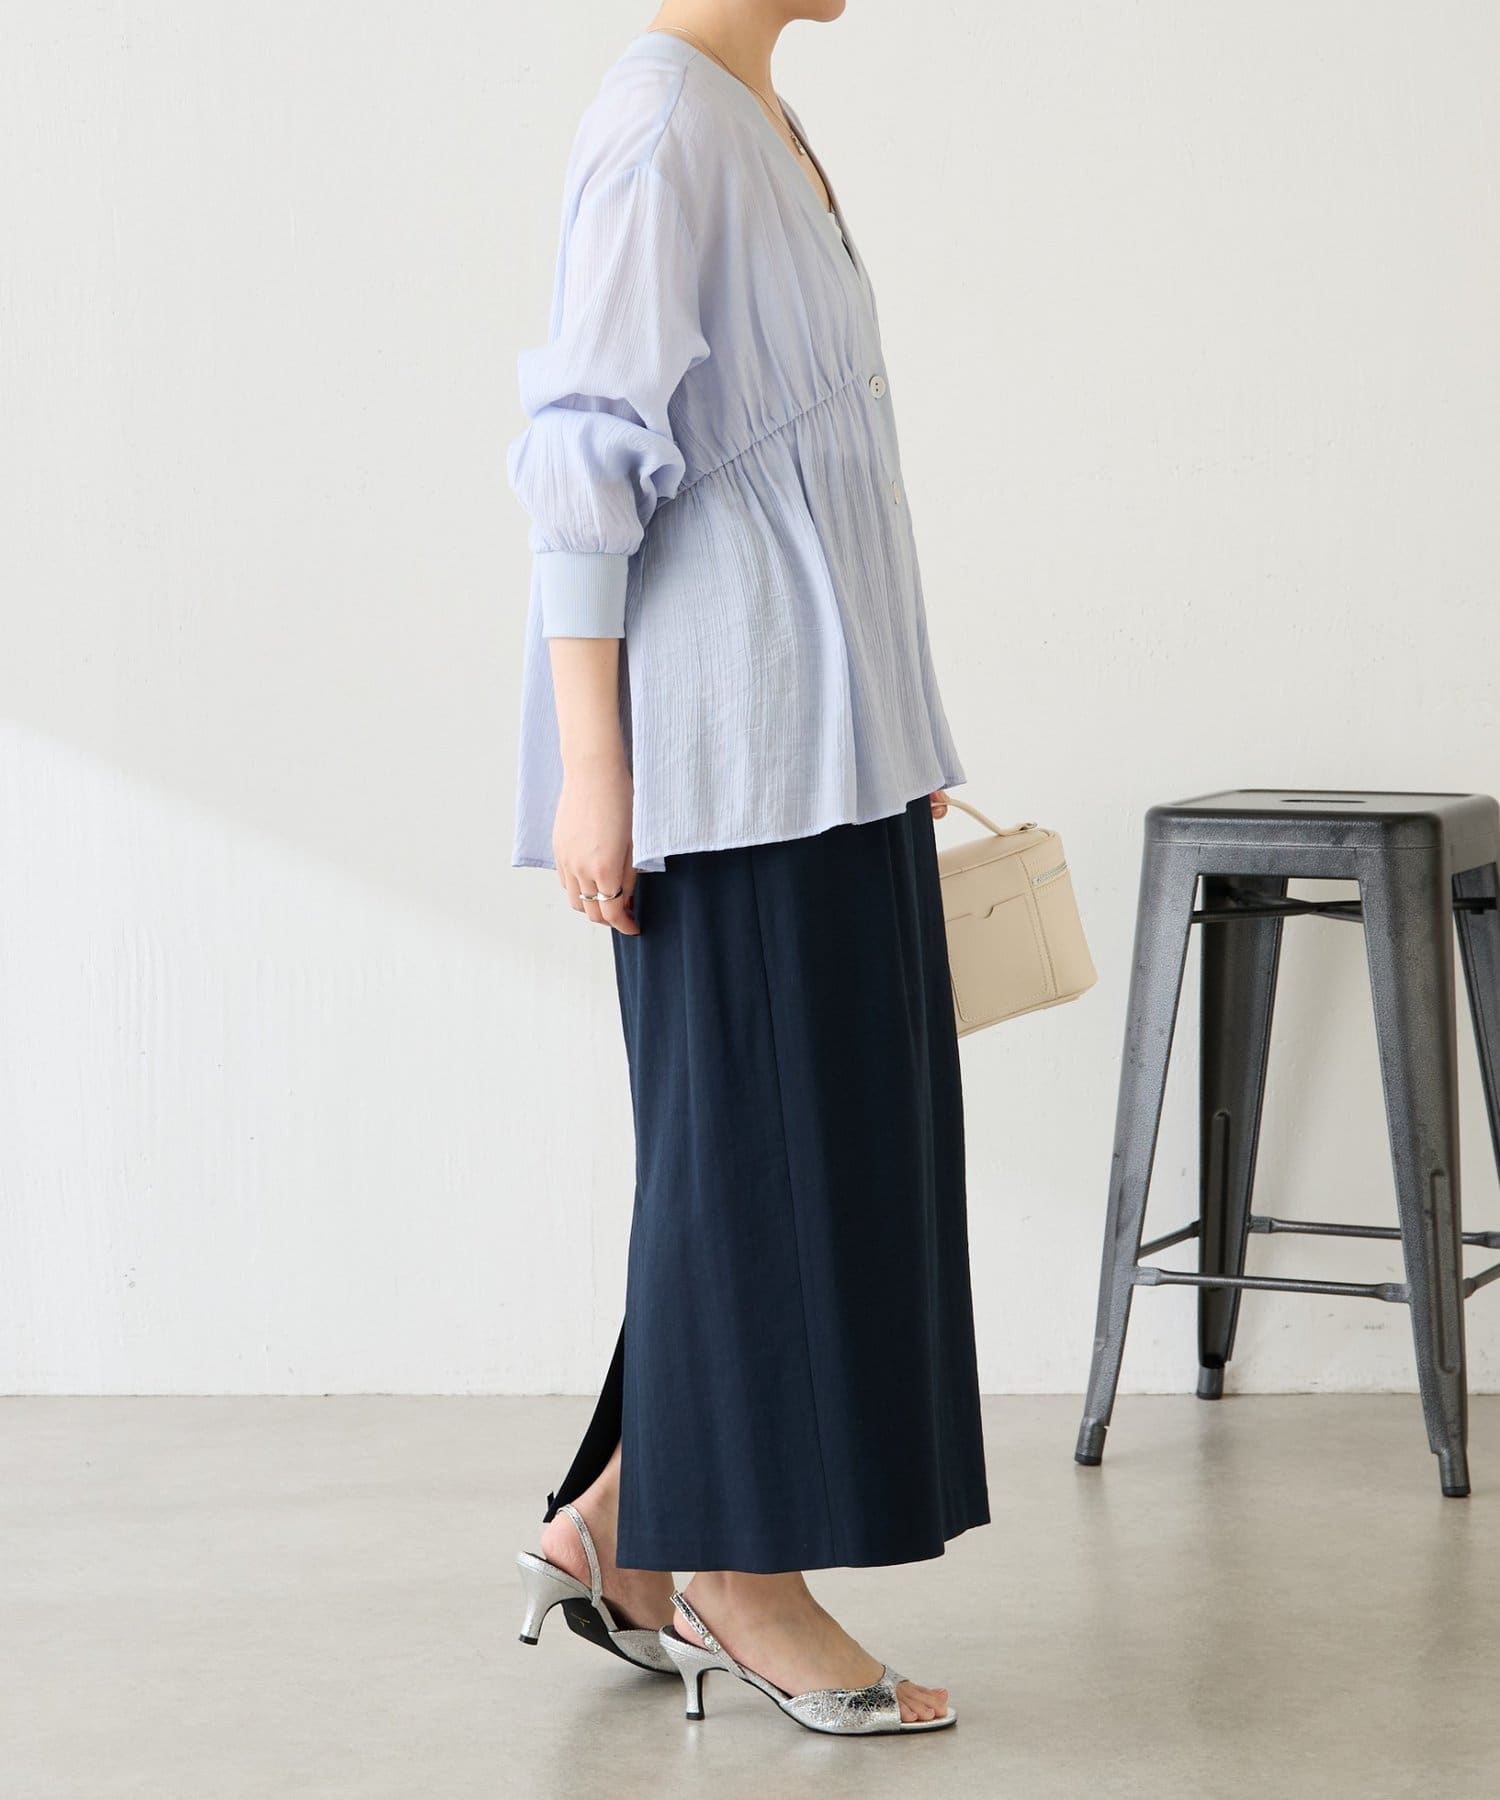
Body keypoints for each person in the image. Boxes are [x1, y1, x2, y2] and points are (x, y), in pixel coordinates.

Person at [506, 0, 989, 1737]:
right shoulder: (662, 128)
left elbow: (815, 456)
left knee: (800, 1154)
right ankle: (738, 1578)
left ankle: (621, 1528)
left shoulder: (745, 113)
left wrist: (894, 723)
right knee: (763, 1166)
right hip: (722, 761)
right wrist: (594, 772)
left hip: (823, 744)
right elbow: (583, 458)